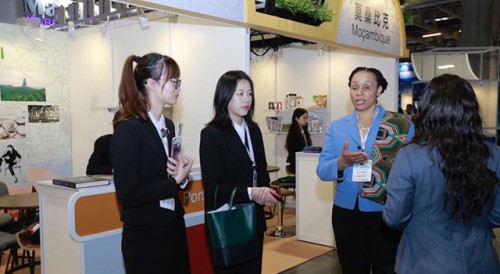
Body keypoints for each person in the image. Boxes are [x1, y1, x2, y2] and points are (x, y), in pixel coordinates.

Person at [383, 74, 500, 274]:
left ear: (428, 110)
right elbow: (497, 215)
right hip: (480, 262)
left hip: (422, 263)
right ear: (471, 111)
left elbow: (394, 218)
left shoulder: (410, 156)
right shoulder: (494, 154)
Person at [316, 67, 414, 274]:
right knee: (352, 268)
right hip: (346, 213)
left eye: (366, 87)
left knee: (386, 268)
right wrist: (341, 163)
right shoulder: (338, 126)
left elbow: (413, 170)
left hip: (385, 212)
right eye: (354, 87)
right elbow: (323, 171)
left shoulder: (400, 125)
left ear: (379, 90)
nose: (359, 93)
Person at [110, 53, 193, 274]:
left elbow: (169, 176)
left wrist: (182, 177)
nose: (178, 87)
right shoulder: (129, 128)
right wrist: (174, 181)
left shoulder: (168, 125)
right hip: (145, 236)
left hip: (172, 227)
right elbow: (128, 194)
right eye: (174, 81)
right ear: (152, 84)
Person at [200, 70, 280, 274]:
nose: (247, 99)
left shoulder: (253, 130)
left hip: (253, 221)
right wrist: (252, 193)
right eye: (240, 94)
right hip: (228, 223)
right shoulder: (211, 134)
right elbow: (213, 188)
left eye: (250, 93)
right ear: (225, 96)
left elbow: (261, 171)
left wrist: (266, 193)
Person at [284, 108, 312, 175]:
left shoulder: (303, 131)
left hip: (303, 161)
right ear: (296, 118)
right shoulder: (293, 133)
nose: (306, 120)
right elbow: (296, 150)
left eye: (307, 118)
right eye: (304, 118)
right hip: (297, 163)